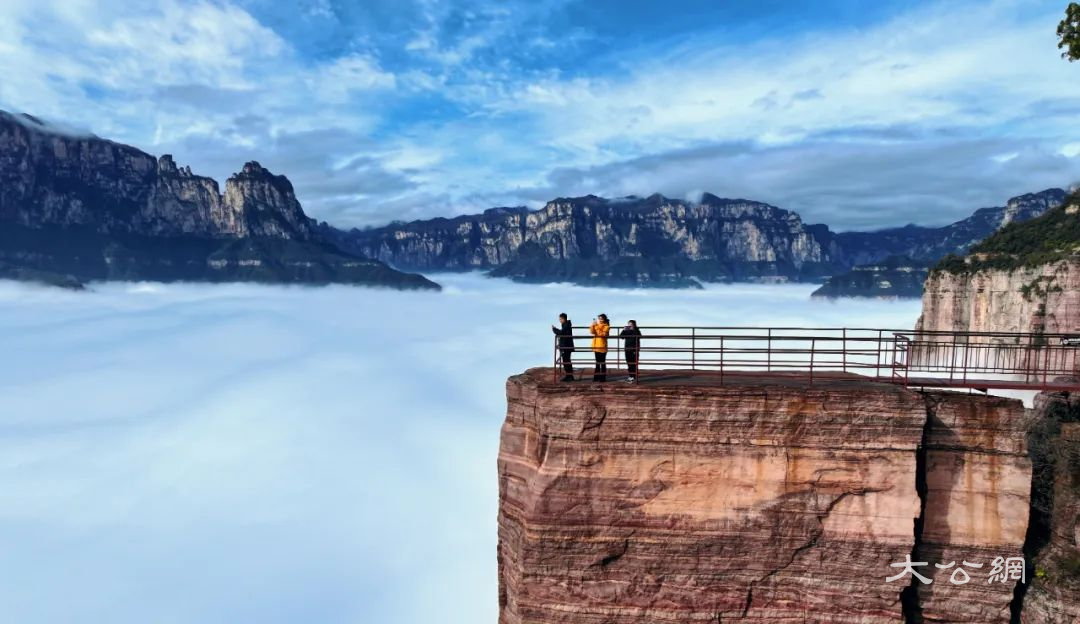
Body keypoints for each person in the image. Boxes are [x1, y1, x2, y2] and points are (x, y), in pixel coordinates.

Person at [551, 313, 575, 381]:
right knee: (566, 361)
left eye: (561, 319)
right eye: (559, 319)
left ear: (564, 319)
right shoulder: (566, 325)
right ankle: (569, 376)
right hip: (566, 346)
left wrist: (554, 329)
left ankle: (569, 376)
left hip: (566, 346)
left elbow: (561, 333)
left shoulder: (566, 325)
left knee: (566, 361)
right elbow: (562, 332)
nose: (560, 320)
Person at [590, 313, 610, 382]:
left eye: (601, 319)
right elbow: (592, 332)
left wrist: (596, 326)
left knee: (602, 362)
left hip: (602, 347)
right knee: (597, 362)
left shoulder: (606, 326)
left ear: (604, 319)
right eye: (599, 319)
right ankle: (596, 377)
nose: (600, 320)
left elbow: (601, 334)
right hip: (596, 346)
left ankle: (603, 378)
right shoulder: (597, 325)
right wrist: (592, 325)